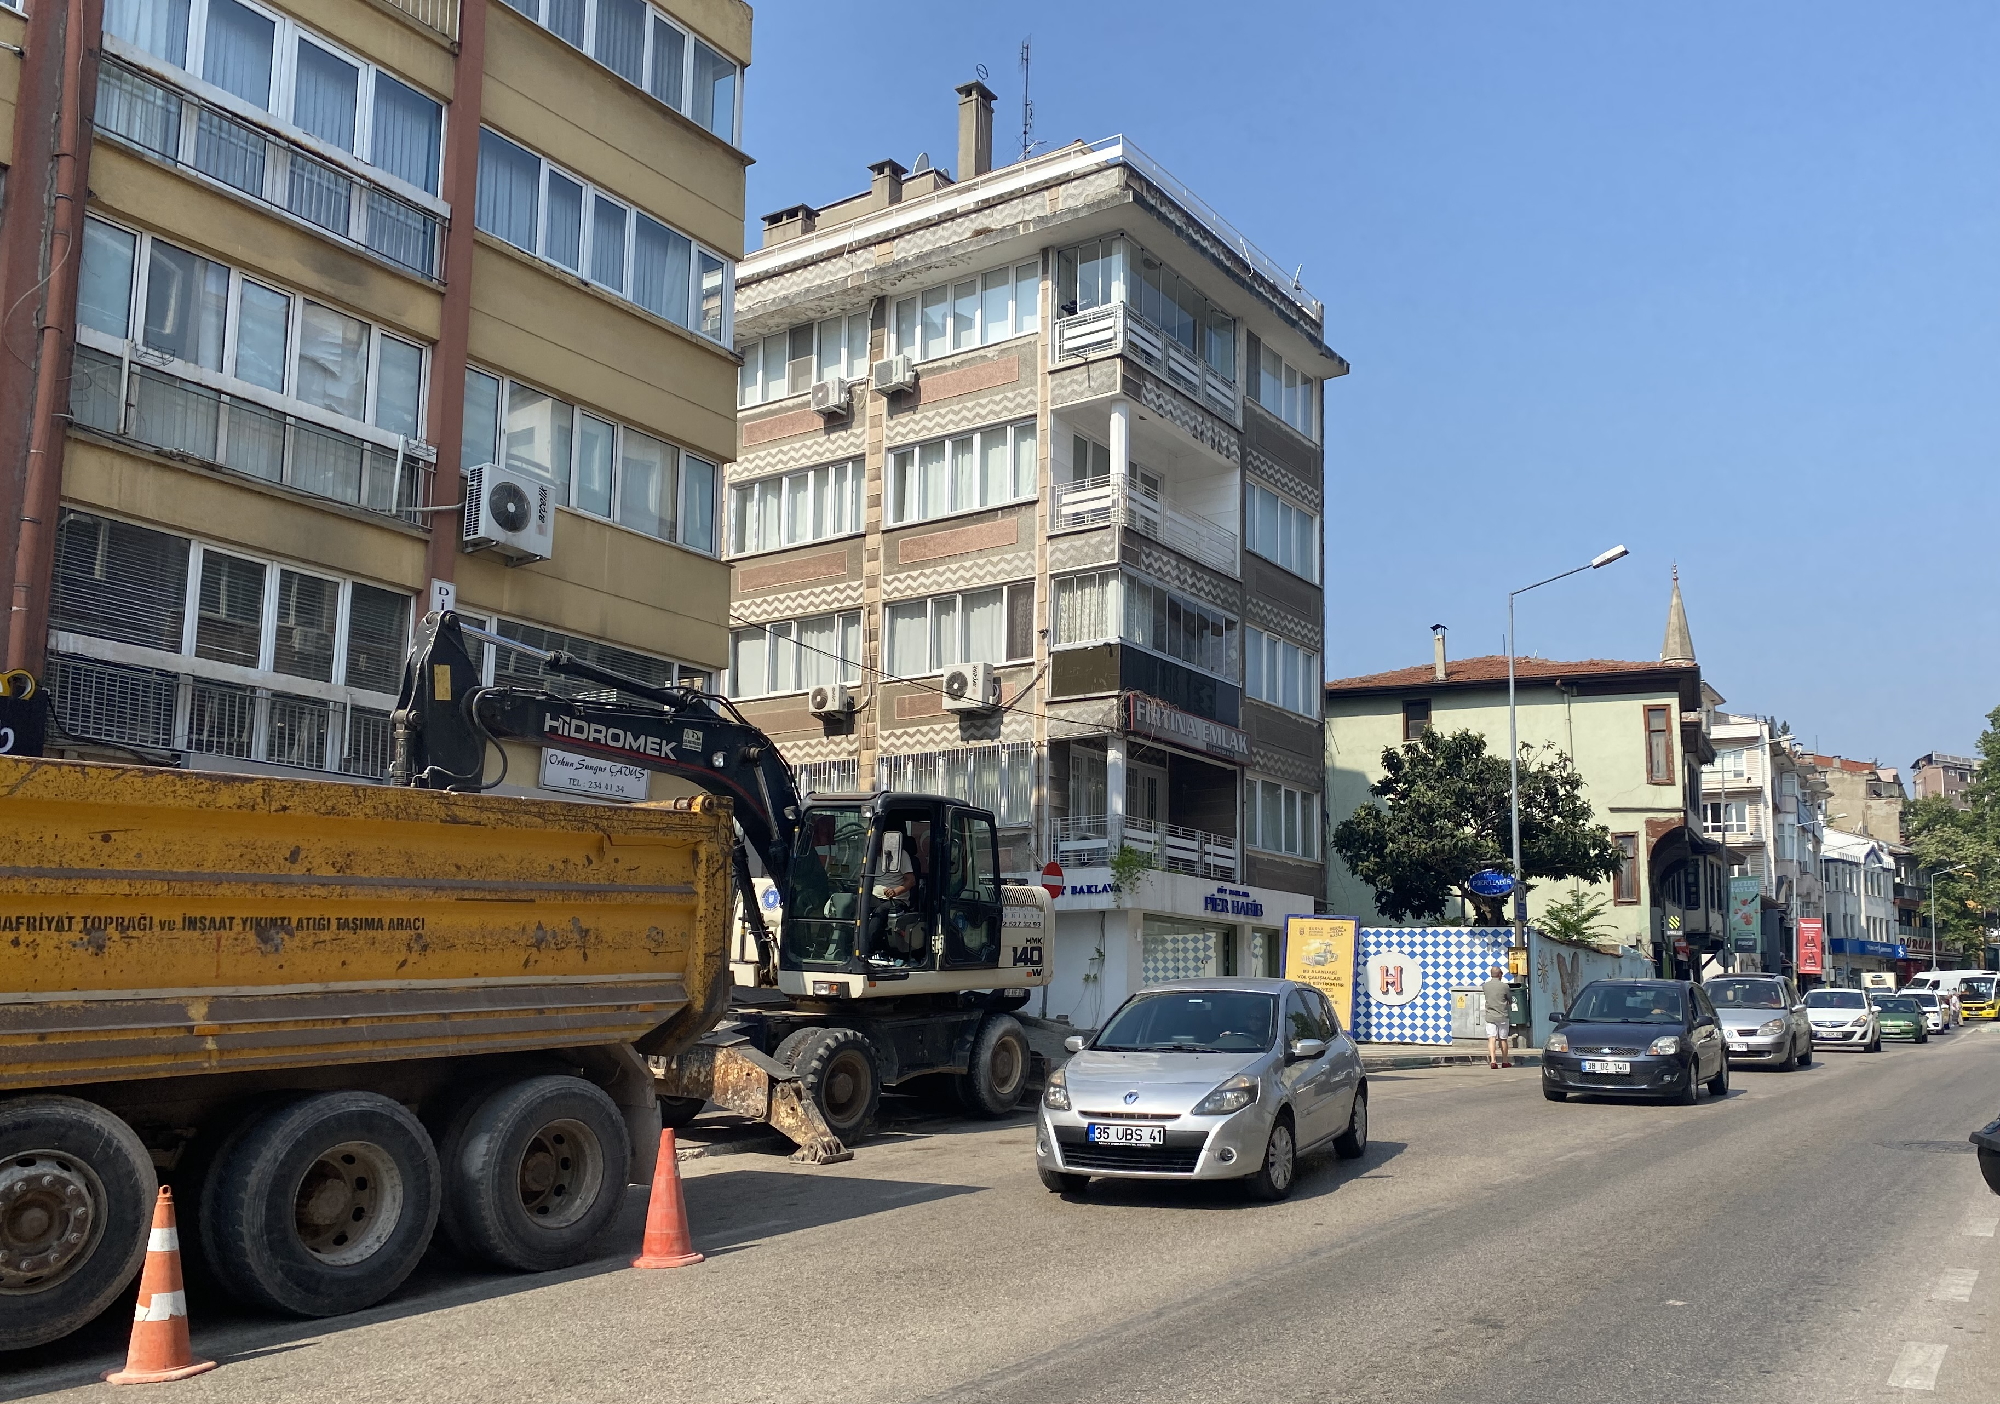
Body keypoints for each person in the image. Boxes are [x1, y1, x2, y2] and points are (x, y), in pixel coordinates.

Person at [1482, 965, 1513, 1069]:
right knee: (1503, 1039)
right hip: (1502, 1016)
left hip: (1490, 1016)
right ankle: (1505, 1061)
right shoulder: (1505, 986)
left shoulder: (1485, 986)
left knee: (1491, 1038)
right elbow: (1510, 999)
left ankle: (1493, 1061)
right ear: (1500, 974)